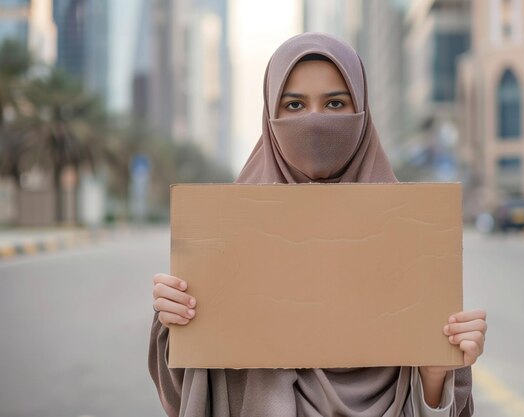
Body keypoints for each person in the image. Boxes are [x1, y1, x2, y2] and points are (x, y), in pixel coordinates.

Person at [149, 32, 487, 417]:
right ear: (270, 116)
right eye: (293, 104)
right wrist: (174, 322)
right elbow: (185, 400)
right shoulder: (224, 242)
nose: (313, 122)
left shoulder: (412, 241)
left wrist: (434, 375)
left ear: (362, 111)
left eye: (335, 103)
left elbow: (447, 405)